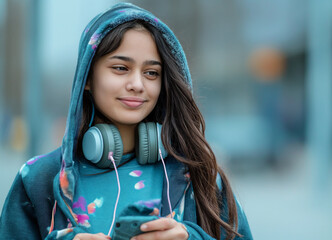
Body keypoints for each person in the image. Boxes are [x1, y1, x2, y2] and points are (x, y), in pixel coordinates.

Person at [0, 3, 252, 240]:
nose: (137, 85)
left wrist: (191, 237)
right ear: (87, 78)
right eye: (120, 68)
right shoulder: (37, 179)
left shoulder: (198, 175)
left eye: (151, 73)